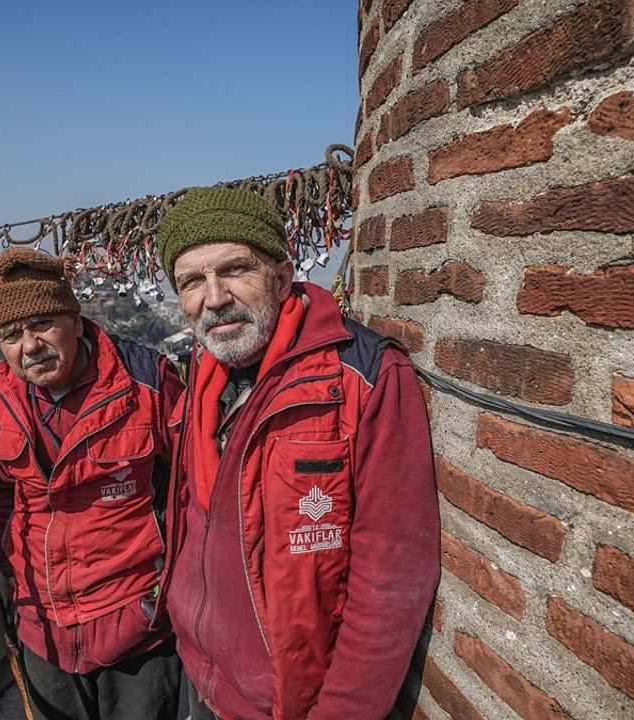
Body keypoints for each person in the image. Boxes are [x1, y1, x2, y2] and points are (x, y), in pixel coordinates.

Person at [153, 187, 440, 720]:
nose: (214, 298)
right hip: (203, 678)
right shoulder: (203, 376)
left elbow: (392, 579)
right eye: (192, 281)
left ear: (282, 278)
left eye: (235, 270)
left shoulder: (364, 378)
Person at [0, 248, 184, 720]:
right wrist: (15, 572)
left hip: (135, 624)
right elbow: (0, 495)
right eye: (11, 335)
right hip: (42, 626)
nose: (29, 346)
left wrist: (167, 594)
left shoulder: (145, 383)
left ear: (74, 319)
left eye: (42, 324)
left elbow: (192, 487)